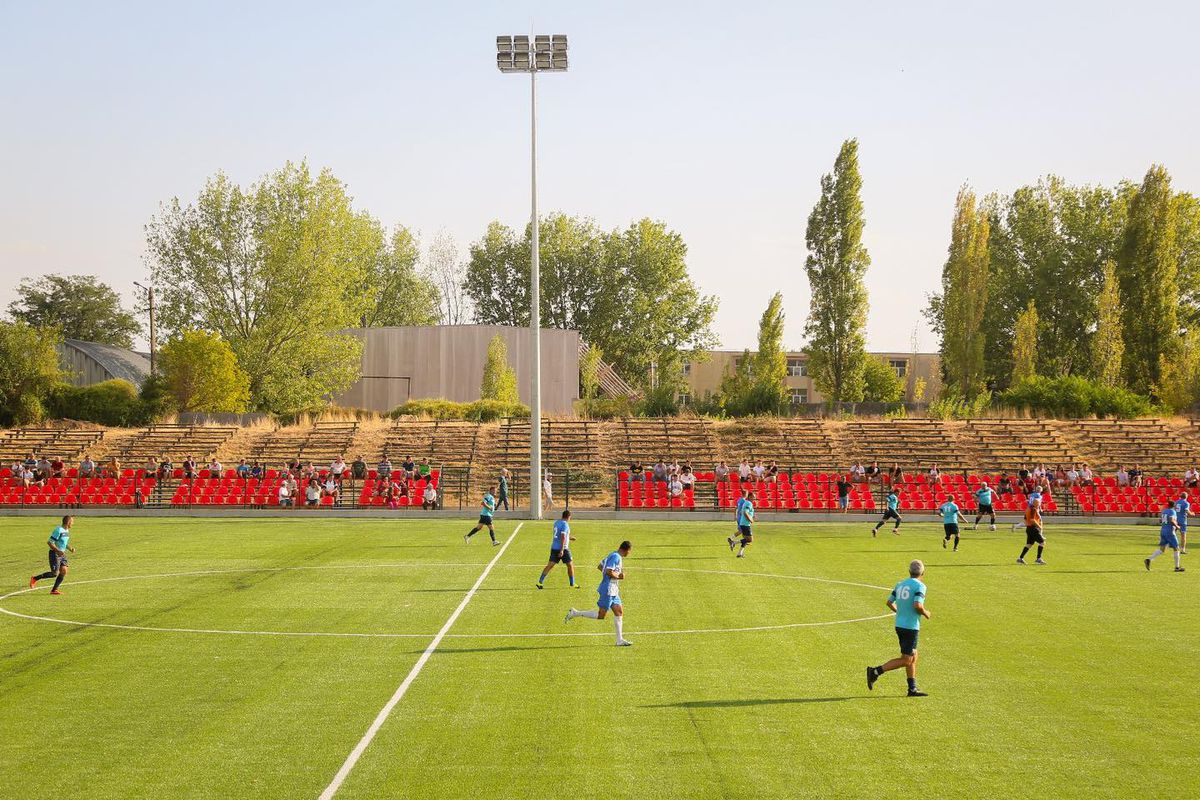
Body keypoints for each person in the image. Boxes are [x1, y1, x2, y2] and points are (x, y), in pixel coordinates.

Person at [866, 559, 930, 697]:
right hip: (910, 627)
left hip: (900, 625)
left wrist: (900, 612)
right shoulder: (920, 586)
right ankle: (875, 672)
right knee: (907, 660)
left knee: (913, 655)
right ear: (923, 573)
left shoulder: (900, 584)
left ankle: (912, 688)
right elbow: (917, 605)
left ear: (909, 571)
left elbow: (889, 602)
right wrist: (926, 613)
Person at [563, 540, 633, 647]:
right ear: (626, 550)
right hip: (608, 589)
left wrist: (613, 575)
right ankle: (575, 613)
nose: (629, 553)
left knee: (619, 612)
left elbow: (600, 566)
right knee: (601, 615)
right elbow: (609, 571)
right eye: (630, 551)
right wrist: (619, 576)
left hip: (614, 590)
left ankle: (619, 640)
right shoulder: (616, 557)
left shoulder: (613, 554)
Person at [30, 515, 76, 596]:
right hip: (54, 553)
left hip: (62, 554)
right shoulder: (58, 530)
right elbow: (50, 542)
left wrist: (70, 548)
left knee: (64, 571)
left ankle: (54, 590)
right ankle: (34, 578)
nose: (73, 523)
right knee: (54, 573)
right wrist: (58, 551)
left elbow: (63, 543)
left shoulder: (66, 531)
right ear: (68, 522)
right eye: (72, 522)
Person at [537, 510, 577, 589]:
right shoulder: (565, 524)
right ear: (569, 517)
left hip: (554, 547)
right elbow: (562, 536)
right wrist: (562, 550)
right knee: (570, 565)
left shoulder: (557, 522)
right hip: (563, 548)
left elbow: (560, 535)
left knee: (550, 565)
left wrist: (569, 537)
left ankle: (540, 582)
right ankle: (572, 583)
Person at [1145, 499, 1185, 572]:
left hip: (1163, 531)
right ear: (1174, 506)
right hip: (1170, 532)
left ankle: (1149, 559)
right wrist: (1177, 526)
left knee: (1162, 549)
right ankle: (1177, 567)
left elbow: (1160, 520)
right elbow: (1171, 520)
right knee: (1176, 548)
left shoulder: (1164, 511)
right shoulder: (1172, 511)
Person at [1017, 493, 1047, 565]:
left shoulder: (1028, 508)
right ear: (1036, 503)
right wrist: (1039, 526)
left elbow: (1025, 518)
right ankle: (1038, 558)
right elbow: (1032, 520)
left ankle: (1020, 558)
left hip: (1029, 529)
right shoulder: (1033, 509)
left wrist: (1027, 524)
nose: (1040, 504)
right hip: (1033, 528)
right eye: (1039, 503)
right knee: (1042, 542)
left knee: (1029, 544)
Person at [728, 487, 754, 558]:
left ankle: (740, 553)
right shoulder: (747, 502)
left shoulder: (742, 501)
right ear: (748, 495)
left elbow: (737, 508)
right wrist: (750, 519)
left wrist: (735, 515)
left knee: (745, 538)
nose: (754, 499)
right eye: (753, 497)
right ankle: (733, 541)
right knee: (750, 539)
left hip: (742, 520)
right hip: (745, 522)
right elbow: (745, 512)